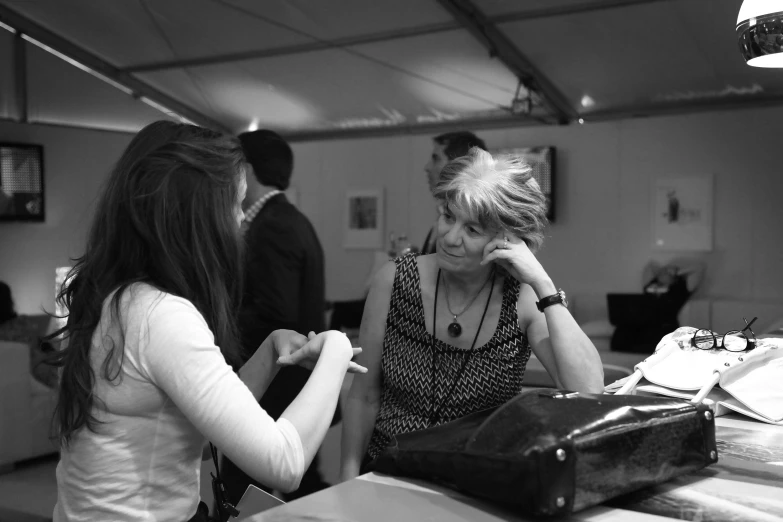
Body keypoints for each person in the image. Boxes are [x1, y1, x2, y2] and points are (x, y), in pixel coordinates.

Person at [44, 120, 365, 522]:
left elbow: (201, 414)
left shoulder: (112, 295)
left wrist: (267, 353)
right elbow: (284, 461)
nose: (238, 223)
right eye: (235, 205)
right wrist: (335, 349)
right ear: (198, 212)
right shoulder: (161, 316)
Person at [340, 148, 604, 481]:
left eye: (473, 230)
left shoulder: (520, 298)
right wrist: (348, 480)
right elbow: (364, 396)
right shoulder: (393, 281)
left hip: (477, 482)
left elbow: (589, 390)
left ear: (506, 239)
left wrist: (541, 282)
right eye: (448, 217)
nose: (450, 238)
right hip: (388, 473)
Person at [221, 129, 330, 503]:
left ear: (246, 170)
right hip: (283, 381)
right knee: (284, 489)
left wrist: (214, 331)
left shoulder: (273, 226)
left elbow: (274, 312)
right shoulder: (286, 219)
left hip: (274, 383)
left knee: (239, 490)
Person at [421, 131, 487, 254]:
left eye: (436, 159)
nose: (427, 167)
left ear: (457, 165)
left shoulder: (479, 219)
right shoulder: (442, 213)